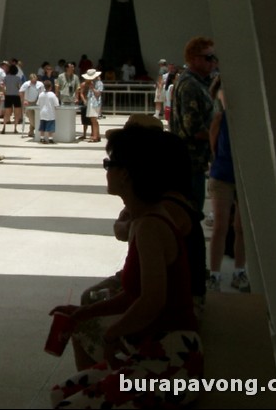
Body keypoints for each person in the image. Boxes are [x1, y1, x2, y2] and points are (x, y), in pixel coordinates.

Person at [48, 126, 201, 408]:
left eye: (109, 163)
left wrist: (112, 332)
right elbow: (135, 293)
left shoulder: (149, 226)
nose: (105, 170)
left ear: (126, 173)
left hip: (168, 358)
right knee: (61, 394)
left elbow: (152, 300)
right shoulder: (146, 219)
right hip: (157, 348)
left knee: (66, 402)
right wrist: (83, 313)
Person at [170, 36, 217, 301]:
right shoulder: (189, 85)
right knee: (191, 222)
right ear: (194, 59)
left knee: (193, 219)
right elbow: (192, 128)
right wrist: (219, 132)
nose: (213, 62)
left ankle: (193, 277)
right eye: (208, 57)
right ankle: (193, 279)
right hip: (190, 163)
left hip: (197, 163)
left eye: (213, 57)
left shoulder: (201, 83)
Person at [207, 75, 250, 293]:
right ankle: (216, 274)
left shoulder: (239, 118)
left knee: (240, 228)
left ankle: (238, 271)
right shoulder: (220, 118)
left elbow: (214, 148)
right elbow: (214, 146)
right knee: (222, 227)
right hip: (225, 174)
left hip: (233, 174)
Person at [20, 73, 45, 138]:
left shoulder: (40, 84)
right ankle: (38, 129)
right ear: (30, 79)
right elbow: (21, 91)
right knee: (31, 118)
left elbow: (43, 93)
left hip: (36, 102)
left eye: (35, 80)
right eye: (32, 80)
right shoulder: (26, 84)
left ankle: (31, 132)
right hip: (28, 102)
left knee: (36, 117)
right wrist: (23, 100)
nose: (34, 81)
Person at [81, 68, 104, 142]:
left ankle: (95, 136)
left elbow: (98, 93)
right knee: (93, 120)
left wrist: (93, 88)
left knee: (94, 120)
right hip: (91, 102)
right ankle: (97, 135)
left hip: (95, 103)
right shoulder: (92, 82)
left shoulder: (99, 83)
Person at [1, 63, 22, 134]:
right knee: (17, 113)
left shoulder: (6, 78)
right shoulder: (18, 78)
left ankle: (4, 127)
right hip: (16, 96)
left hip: (8, 95)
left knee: (7, 112)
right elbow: (20, 87)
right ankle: (15, 128)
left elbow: (2, 86)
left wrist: (4, 92)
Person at [37, 80, 60, 144]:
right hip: (50, 113)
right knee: (50, 127)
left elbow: (38, 103)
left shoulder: (41, 94)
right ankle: (50, 139)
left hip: (42, 113)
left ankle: (42, 138)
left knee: (42, 127)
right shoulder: (52, 95)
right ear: (51, 87)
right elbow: (56, 104)